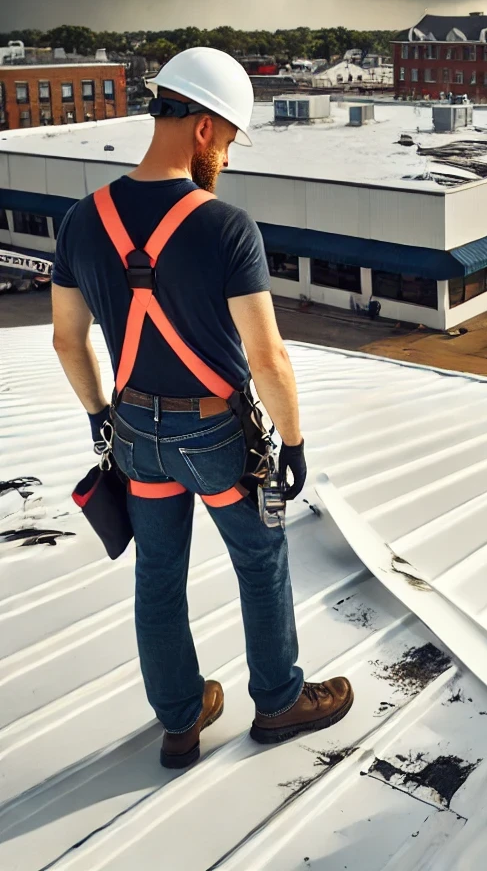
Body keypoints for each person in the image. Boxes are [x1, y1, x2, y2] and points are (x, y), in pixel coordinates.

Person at [51, 47, 354, 770]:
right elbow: (267, 357)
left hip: (134, 432)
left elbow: (68, 341)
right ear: (205, 128)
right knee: (260, 558)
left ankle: (181, 722)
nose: (226, 154)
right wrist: (295, 439)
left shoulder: (81, 221)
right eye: (227, 138)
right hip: (214, 433)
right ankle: (279, 702)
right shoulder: (225, 227)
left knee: (157, 573)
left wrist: (99, 411)